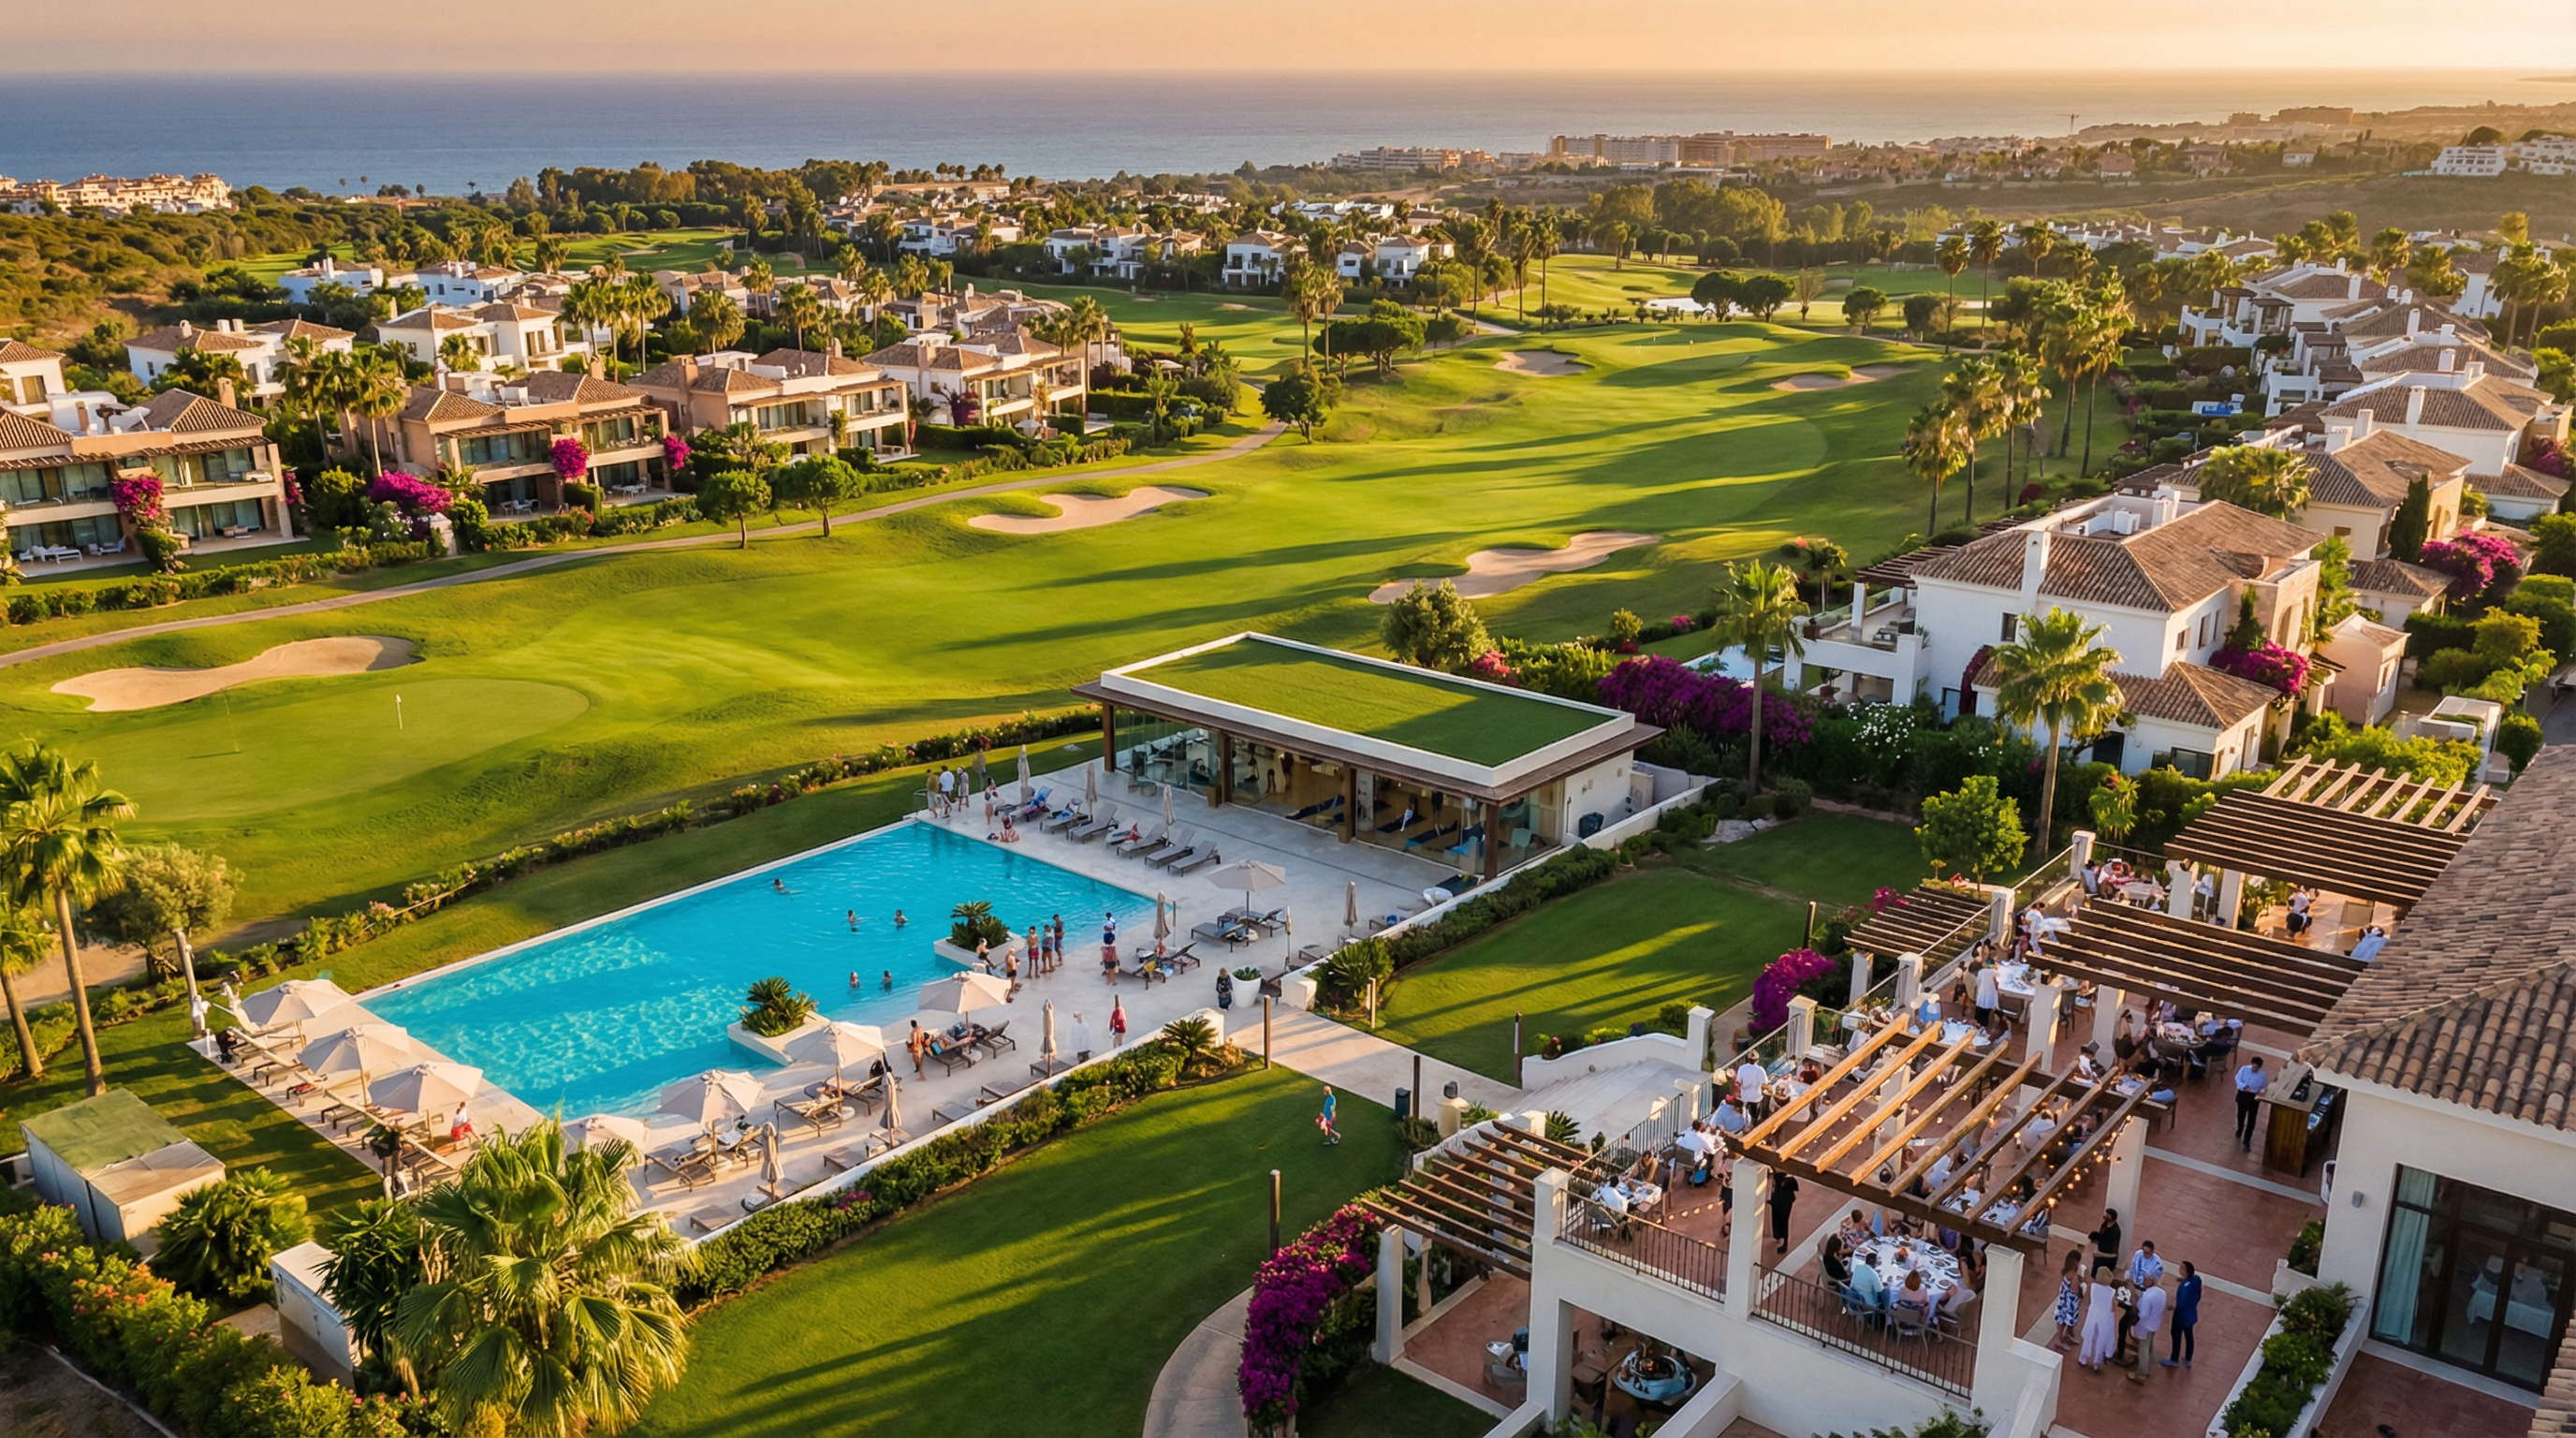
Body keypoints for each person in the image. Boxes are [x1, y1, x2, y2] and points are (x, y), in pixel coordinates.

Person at [2078, 1272, 2121, 1372]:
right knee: (2101, 1338)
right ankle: (2096, 1362)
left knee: (2089, 1335)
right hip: (2105, 1317)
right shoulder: (2111, 1291)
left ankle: (2083, 1358)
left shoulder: (2093, 1286)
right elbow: (2114, 1307)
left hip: (2093, 1313)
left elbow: (2088, 1299)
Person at [2162, 1261, 2202, 1368]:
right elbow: (2198, 1295)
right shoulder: (2197, 1279)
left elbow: (2181, 1303)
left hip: (2180, 1316)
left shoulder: (2184, 1287)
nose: (2179, 1269)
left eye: (2181, 1268)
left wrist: (2174, 1308)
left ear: (2185, 1270)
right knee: (2189, 1336)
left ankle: (2174, 1359)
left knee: (2176, 1335)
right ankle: (2188, 1359)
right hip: (2191, 1314)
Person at [2128, 1276, 2167, 1383]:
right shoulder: (2162, 1293)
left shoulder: (2147, 1296)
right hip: (2155, 1324)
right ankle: (2151, 1361)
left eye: (2146, 1280)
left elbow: (2143, 1314)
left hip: (2145, 1326)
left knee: (2143, 1348)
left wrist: (2137, 1306)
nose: (2144, 1282)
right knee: (2149, 1344)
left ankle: (2142, 1372)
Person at [2234, 1055, 2270, 1152]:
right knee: (2241, 1115)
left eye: (2256, 1067)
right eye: (2254, 1066)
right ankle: (2240, 1129)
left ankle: (2247, 1141)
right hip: (2243, 1094)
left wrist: (2263, 1090)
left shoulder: (2263, 1075)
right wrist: (2245, 1087)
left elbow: (2264, 1086)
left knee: (2251, 1120)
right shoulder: (2244, 1069)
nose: (2255, 1068)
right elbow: (2238, 1079)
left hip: (2253, 1098)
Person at [2052, 1248, 2085, 1351]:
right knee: (2064, 1320)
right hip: (2069, 1302)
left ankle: (2066, 1336)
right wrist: (2081, 1288)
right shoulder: (2074, 1275)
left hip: (2063, 1300)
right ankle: (2059, 1339)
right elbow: (2075, 1290)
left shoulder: (2066, 1271)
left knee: (2062, 1319)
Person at [1767, 1169, 1800, 1255]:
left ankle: (1784, 1243)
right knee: (1777, 1218)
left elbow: (1795, 1188)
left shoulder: (1788, 1179)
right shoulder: (1780, 1175)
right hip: (1778, 1199)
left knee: (1784, 1221)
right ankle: (1778, 1235)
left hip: (1783, 1201)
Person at [2089, 1208, 2123, 1279]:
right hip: (2100, 1254)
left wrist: (2100, 1254)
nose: (2104, 1215)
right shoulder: (2105, 1224)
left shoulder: (2115, 1232)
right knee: (2094, 1273)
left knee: (2100, 1277)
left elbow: (2114, 1254)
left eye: (2107, 1214)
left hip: (2107, 1259)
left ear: (2111, 1217)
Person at [1972, 960, 2000, 1026]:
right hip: (1990, 992)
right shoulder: (1994, 972)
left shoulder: (1981, 972)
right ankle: (1984, 1024)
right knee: (1987, 1010)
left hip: (1982, 991)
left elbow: (1978, 982)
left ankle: (1977, 1022)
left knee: (1980, 1007)